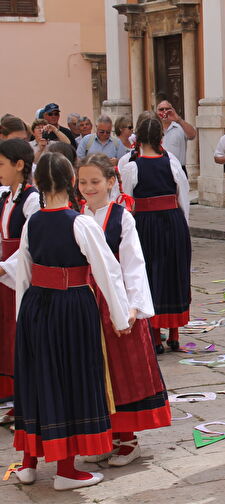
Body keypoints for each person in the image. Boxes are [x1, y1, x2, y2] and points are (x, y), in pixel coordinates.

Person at [12, 152, 132, 491]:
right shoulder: (81, 222)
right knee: (70, 380)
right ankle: (66, 470)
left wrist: (24, 320)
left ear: (38, 183)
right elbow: (107, 271)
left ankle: (28, 463)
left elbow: (24, 273)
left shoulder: (32, 222)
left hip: (36, 307)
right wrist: (121, 316)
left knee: (38, 379)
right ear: (70, 182)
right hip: (71, 307)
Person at [77, 153, 170, 466]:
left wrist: (132, 306)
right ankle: (107, 435)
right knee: (95, 370)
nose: (88, 188)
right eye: (83, 182)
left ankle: (129, 440)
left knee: (124, 370)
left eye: (95, 182)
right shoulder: (77, 216)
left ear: (111, 183)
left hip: (115, 302)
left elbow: (133, 264)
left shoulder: (121, 217)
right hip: (86, 301)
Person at [120, 117, 191, 354]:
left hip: (146, 226)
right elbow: (183, 197)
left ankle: (155, 335)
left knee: (151, 275)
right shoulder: (171, 163)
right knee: (173, 273)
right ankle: (173, 333)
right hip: (173, 222)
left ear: (137, 138)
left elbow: (128, 204)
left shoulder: (132, 167)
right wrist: (183, 226)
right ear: (161, 138)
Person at [0, 140, 40, 424]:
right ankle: (16, 398)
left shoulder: (32, 199)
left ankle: (27, 402)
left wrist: (5, 268)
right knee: (7, 341)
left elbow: (31, 244)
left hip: (19, 278)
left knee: (21, 339)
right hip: (4, 278)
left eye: (2, 164)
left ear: (19, 165)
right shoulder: (6, 198)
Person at [157, 100, 197, 175]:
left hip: (178, 169)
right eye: (161, 109)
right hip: (159, 169)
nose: (164, 111)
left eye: (167, 109)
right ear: (157, 112)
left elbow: (193, 135)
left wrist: (178, 120)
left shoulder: (180, 127)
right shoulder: (153, 128)